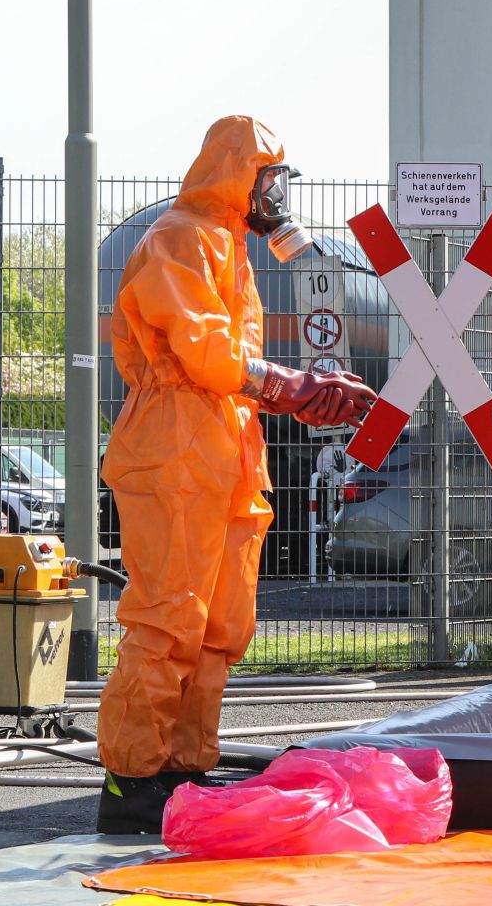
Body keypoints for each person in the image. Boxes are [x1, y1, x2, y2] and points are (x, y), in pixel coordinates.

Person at [97, 116, 376, 834]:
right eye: (268, 180)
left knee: (220, 624)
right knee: (168, 615)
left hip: (226, 447)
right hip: (173, 448)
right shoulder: (179, 237)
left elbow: (232, 371)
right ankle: (132, 779)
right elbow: (204, 350)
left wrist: (298, 395)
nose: (275, 197)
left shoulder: (230, 247)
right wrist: (290, 385)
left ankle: (182, 767)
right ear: (236, 176)